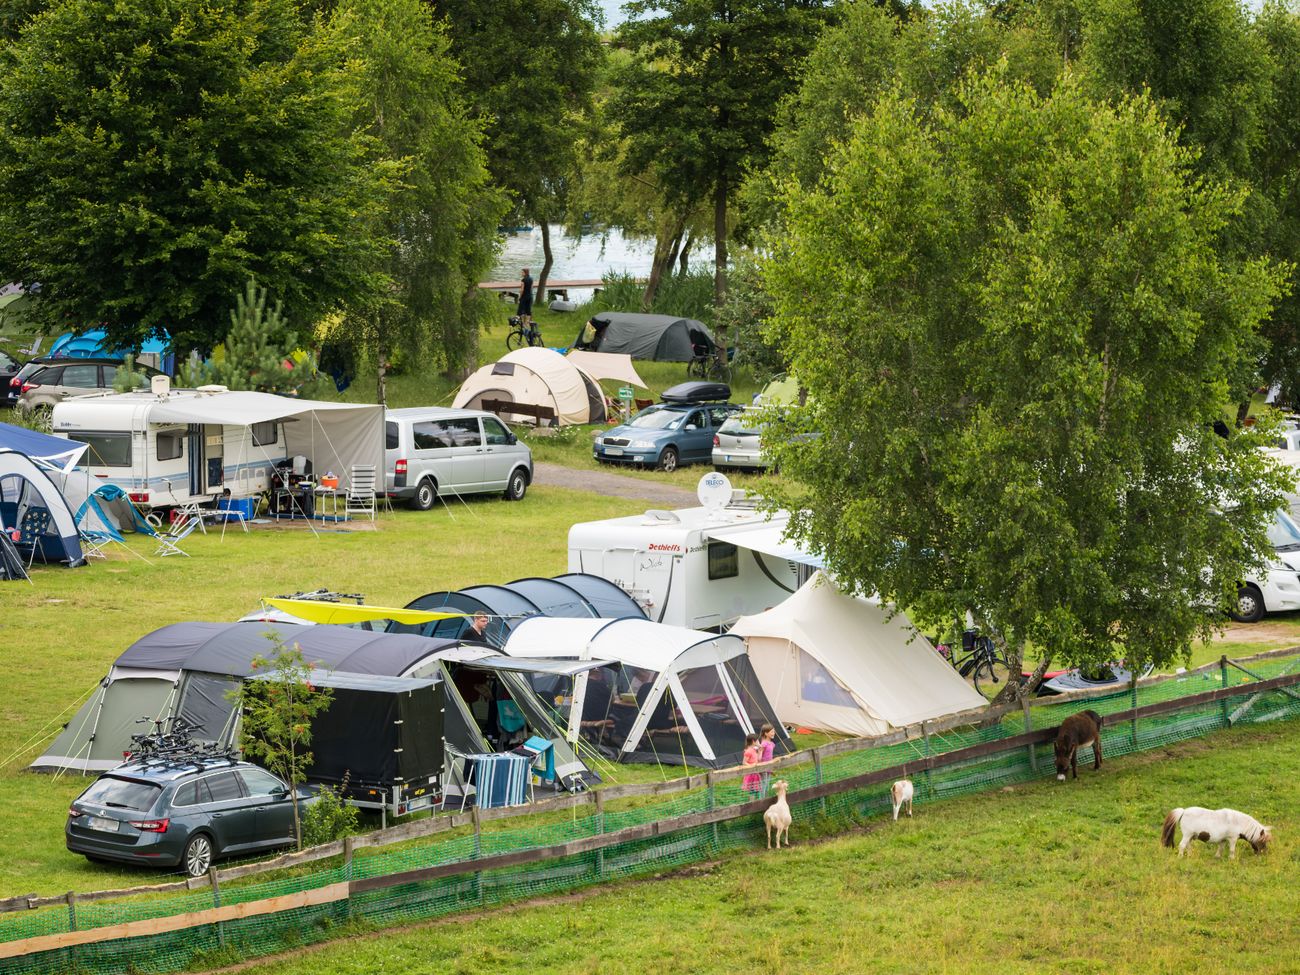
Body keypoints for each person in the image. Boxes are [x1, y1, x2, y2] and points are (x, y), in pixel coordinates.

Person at [758, 723, 777, 794]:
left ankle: (765, 797)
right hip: (763, 767)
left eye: (774, 731)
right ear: (766, 733)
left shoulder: (771, 743)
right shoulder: (764, 744)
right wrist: (760, 766)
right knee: (763, 783)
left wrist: (771, 767)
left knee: (767, 783)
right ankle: (761, 799)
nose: (774, 733)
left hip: (769, 766)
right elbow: (759, 756)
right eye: (772, 732)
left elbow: (770, 756)